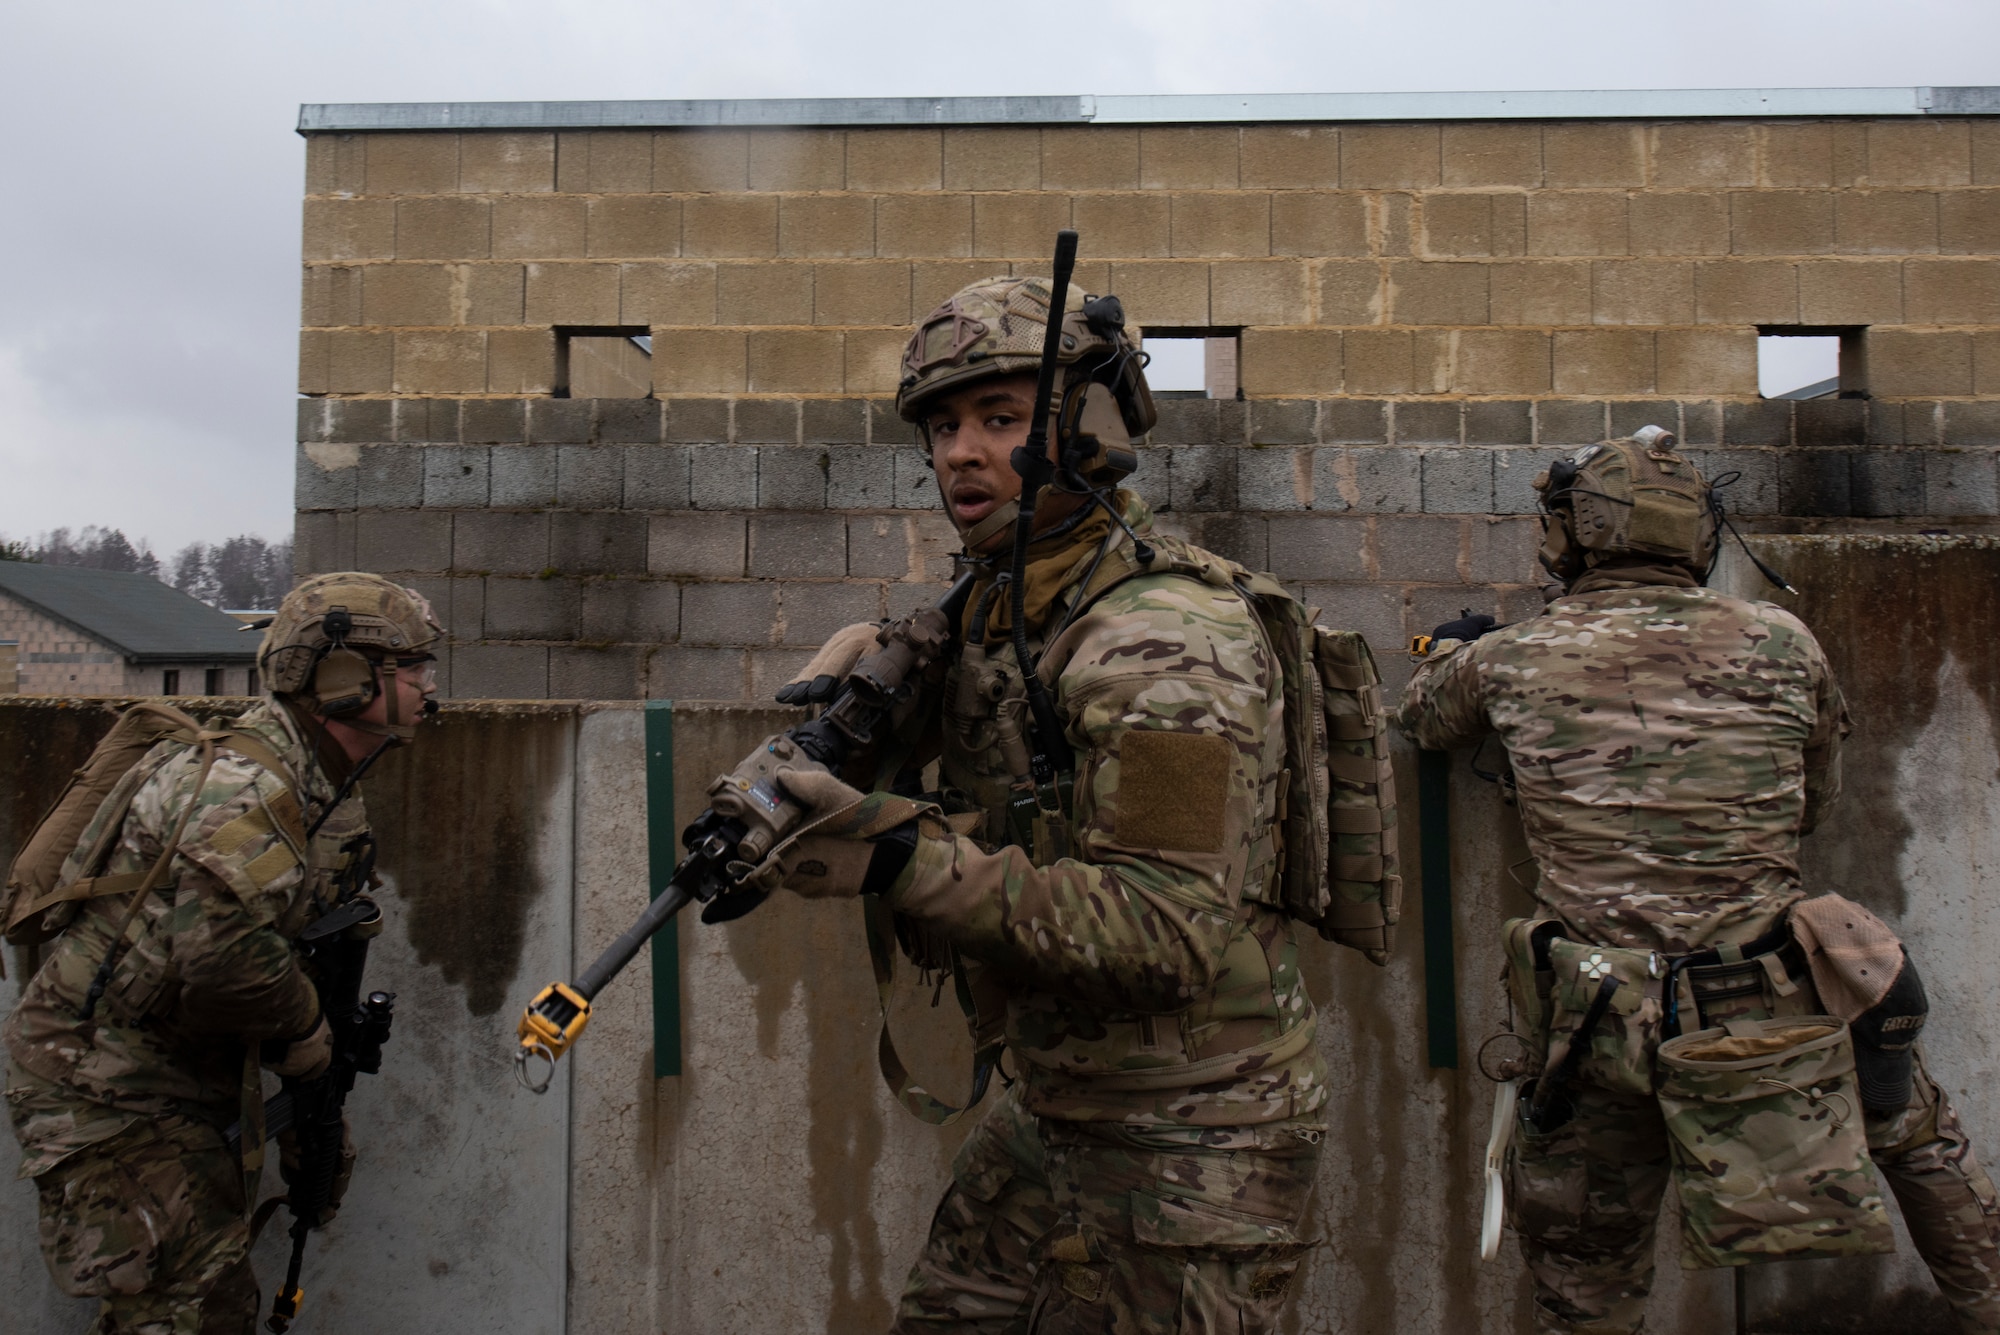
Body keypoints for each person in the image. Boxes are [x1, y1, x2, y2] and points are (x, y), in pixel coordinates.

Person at [756, 275, 1347, 1332]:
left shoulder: (1163, 638)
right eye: (941, 426)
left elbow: (1168, 928)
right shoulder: (1010, 604)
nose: (957, 453)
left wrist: (897, 855)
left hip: (1188, 1145)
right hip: (1061, 1107)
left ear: (1090, 427)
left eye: (998, 419)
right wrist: (869, 699)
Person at [1395, 429, 2000, 1334]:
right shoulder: (1784, 643)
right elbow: (1813, 804)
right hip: (1767, 999)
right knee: (1917, 1136)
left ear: (1574, 537)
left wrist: (1452, 651)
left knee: (1587, 1277)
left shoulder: (1514, 658)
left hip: (1594, 1021)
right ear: (1696, 537)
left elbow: (1423, 716)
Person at [4, 571, 442, 1335]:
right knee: (189, 1308)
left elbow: (310, 949)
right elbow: (225, 960)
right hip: (102, 1082)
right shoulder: (244, 788)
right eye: (411, 668)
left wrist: (319, 1110)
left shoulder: (328, 786)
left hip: (174, 1071)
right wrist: (307, 1042)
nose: (429, 685)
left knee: (195, 1302)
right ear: (343, 680)